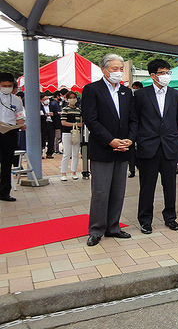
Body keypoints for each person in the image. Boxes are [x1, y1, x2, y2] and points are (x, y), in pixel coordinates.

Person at [82, 54, 133, 246]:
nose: (118, 72)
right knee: (101, 192)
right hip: (103, 148)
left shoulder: (126, 92)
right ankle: (96, 230)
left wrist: (130, 140)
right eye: (114, 69)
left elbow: (132, 119)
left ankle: (113, 226)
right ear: (104, 69)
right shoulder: (92, 90)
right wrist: (110, 140)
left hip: (123, 148)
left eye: (121, 69)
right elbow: (91, 119)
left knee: (118, 191)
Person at [132, 59, 178, 234]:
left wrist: (171, 136)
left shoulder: (176, 95)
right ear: (153, 75)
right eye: (162, 73)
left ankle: (170, 217)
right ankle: (145, 220)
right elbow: (136, 120)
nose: (166, 76)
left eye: (168, 72)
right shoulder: (140, 95)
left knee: (170, 185)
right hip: (148, 147)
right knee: (147, 186)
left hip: (169, 146)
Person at [0, 73, 25, 202]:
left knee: (6, 162)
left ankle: (4, 192)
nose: (7, 88)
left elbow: (19, 116)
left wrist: (22, 124)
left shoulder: (16, 100)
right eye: (4, 86)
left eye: (9, 86)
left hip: (9, 132)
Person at [59, 91, 82, 181]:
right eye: (70, 97)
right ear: (67, 99)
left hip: (77, 133)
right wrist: (76, 124)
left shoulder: (78, 110)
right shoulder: (65, 109)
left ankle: (74, 172)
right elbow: (63, 122)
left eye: (74, 97)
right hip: (67, 133)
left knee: (75, 153)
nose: (73, 99)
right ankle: (63, 173)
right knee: (66, 153)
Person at [128, 81, 143, 178]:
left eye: (137, 88)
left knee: (141, 149)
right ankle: (132, 169)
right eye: (134, 87)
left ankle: (140, 166)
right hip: (132, 129)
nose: (135, 89)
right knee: (131, 150)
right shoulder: (130, 99)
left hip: (142, 129)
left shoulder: (144, 99)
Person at [40, 93, 58, 158]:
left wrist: (53, 114)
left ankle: (50, 153)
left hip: (51, 123)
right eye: (45, 99)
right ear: (41, 100)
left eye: (47, 99)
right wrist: (45, 115)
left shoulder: (52, 106)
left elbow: (56, 114)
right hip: (43, 124)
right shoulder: (39, 107)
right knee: (42, 138)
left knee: (51, 138)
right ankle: (40, 152)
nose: (46, 100)